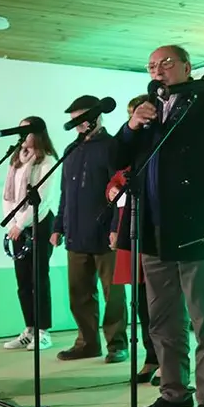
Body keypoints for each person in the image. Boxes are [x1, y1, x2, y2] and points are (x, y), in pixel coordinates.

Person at [120, 45, 204, 407]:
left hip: (197, 231)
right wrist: (130, 127)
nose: (158, 70)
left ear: (187, 67)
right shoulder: (146, 109)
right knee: (161, 320)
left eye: (166, 64)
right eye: (152, 65)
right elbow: (117, 160)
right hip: (153, 230)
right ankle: (173, 392)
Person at [51, 94, 128, 363]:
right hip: (75, 235)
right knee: (79, 294)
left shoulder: (112, 146)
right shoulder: (70, 151)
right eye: (73, 120)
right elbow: (65, 193)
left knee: (114, 295)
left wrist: (117, 227)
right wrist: (58, 226)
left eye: (81, 118)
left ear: (95, 116)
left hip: (107, 236)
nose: (77, 124)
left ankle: (117, 344)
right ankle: (87, 343)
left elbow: (120, 191)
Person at [109, 94, 157, 384]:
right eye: (132, 114)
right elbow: (115, 178)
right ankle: (150, 357)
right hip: (129, 225)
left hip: (153, 223)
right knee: (140, 301)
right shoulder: (128, 142)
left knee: (160, 302)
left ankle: (166, 360)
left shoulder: (155, 139)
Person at [1, 116, 59, 352]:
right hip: (17, 227)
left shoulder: (47, 160)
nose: (22, 135)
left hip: (40, 224)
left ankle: (43, 331)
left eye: (27, 131)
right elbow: (8, 196)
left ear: (39, 133)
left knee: (39, 279)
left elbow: (42, 199)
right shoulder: (16, 160)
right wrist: (11, 224)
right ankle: (29, 328)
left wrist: (21, 224)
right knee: (22, 281)